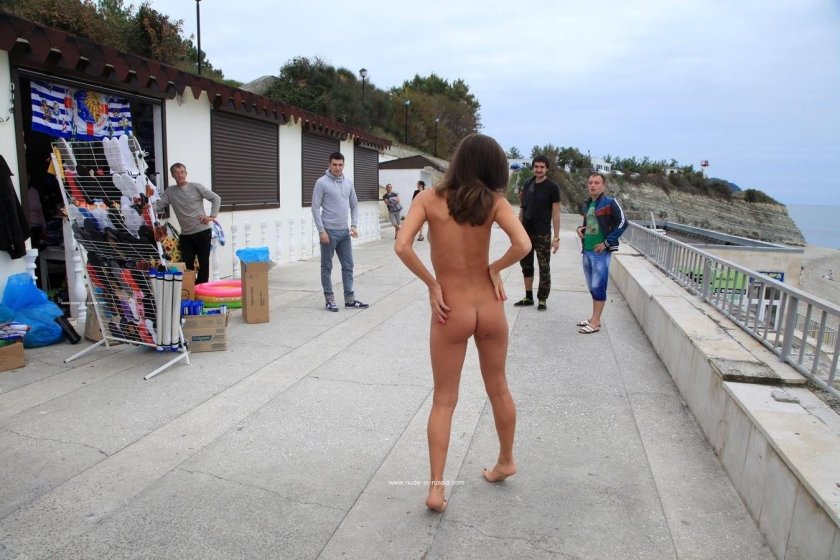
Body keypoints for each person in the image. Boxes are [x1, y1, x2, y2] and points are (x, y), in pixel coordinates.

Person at [394, 134, 531, 512]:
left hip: (450, 309)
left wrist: (432, 283)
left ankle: (436, 489)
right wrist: (495, 268)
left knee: (444, 399)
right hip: (489, 307)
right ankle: (506, 461)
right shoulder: (494, 203)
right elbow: (523, 244)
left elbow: (402, 245)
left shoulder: (428, 200)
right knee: (498, 388)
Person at [312, 152, 369, 312]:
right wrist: (321, 231)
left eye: (340, 165)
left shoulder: (348, 183)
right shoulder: (321, 183)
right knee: (326, 267)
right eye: (335, 164)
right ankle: (329, 300)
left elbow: (354, 205)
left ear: (343, 165)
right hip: (328, 233)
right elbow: (315, 208)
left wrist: (354, 225)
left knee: (348, 266)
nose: (337, 168)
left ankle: (349, 300)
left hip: (344, 233)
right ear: (329, 165)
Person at [575, 172, 627, 334]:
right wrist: (581, 229)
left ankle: (596, 322)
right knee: (592, 286)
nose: (593, 185)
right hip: (587, 249)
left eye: (597, 182)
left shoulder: (610, 202)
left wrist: (606, 243)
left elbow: (623, 222)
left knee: (598, 286)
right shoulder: (588, 204)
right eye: (590, 182)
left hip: (600, 252)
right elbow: (591, 225)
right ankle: (593, 318)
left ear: (603, 185)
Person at [155, 163, 221, 285]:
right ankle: (190, 289)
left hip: (203, 232)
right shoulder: (170, 192)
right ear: (172, 175)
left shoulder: (196, 187)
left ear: (186, 173)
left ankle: (201, 289)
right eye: (176, 173)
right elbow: (158, 206)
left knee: (204, 263)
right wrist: (146, 205)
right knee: (187, 264)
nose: (180, 175)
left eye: (182, 172)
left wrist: (211, 217)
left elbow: (216, 198)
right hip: (185, 235)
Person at [513, 155, 561, 311]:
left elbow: (556, 214)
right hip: (526, 231)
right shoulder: (528, 183)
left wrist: (556, 238)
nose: (539, 170)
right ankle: (528, 297)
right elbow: (522, 208)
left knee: (544, 266)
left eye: (542, 167)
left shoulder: (552, 187)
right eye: (536, 166)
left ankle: (542, 299)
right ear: (533, 167)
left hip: (543, 233)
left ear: (546, 169)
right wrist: (518, 230)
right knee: (526, 265)